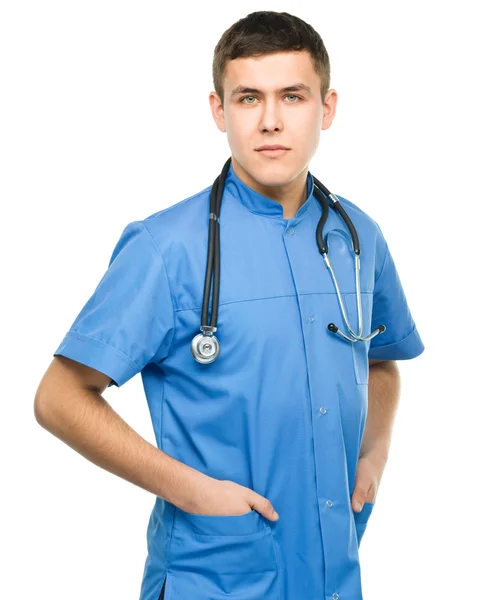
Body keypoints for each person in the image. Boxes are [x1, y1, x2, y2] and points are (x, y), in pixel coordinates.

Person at [34, 10, 425, 600]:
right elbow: (59, 398)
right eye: (248, 98)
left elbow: (380, 358)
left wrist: (374, 453)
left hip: (333, 577)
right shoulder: (166, 248)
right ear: (219, 111)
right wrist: (191, 492)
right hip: (213, 577)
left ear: (327, 108)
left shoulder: (358, 237)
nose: (271, 121)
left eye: (292, 96)